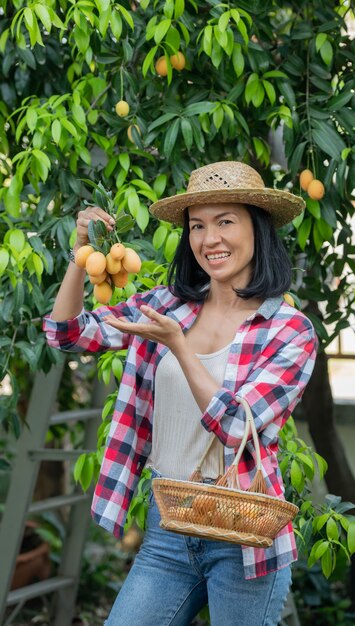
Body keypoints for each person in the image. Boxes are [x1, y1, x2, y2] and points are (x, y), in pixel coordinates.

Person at [44, 161, 318, 626]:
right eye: (197, 226)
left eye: (225, 221)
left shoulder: (290, 331)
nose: (210, 239)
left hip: (243, 536)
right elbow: (68, 335)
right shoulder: (166, 305)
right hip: (169, 527)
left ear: (258, 227)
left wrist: (178, 345)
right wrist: (79, 256)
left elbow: (236, 426)